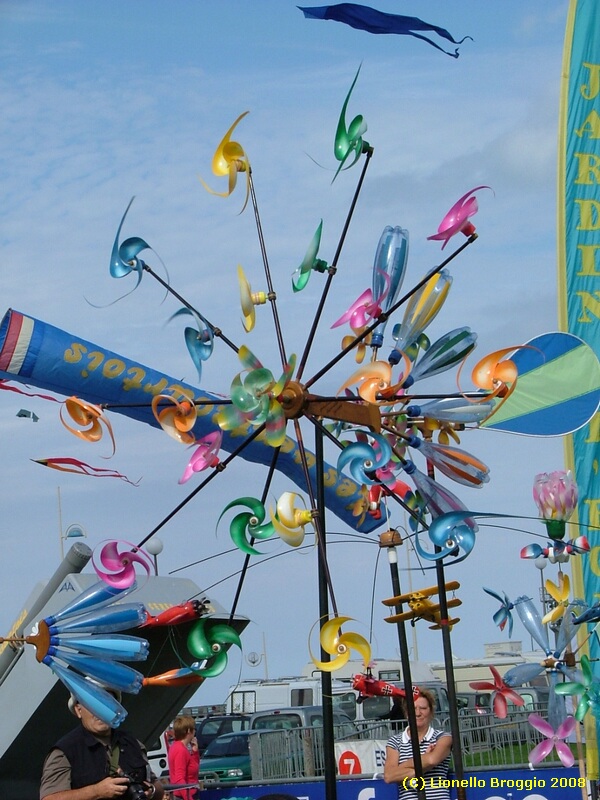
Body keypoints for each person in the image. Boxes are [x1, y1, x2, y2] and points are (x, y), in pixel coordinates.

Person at [40, 685, 165, 800]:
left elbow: (155, 783)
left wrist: (152, 791)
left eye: (107, 703)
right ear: (79, 710)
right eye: (92, 703)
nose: (100, 710)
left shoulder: (133, 744)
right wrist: (96, 791)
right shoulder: (65, 751)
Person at [383, 688, 452, 800]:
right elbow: (389, 776)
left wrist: (401, 769)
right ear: (406, 712)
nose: (418, 713)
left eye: (423, 708)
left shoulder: (443, 738)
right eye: (413, 708)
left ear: (431, 712)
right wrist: (424, 759)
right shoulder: (395, 742)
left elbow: (432, 760)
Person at [167, 716, 200, 800]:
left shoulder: (176, 746)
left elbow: (193, 767)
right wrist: (188, 798)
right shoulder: (180, 750)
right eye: (194, 728)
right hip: (184, 796)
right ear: (189, 730)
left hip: (187, 794)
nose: (195, 731)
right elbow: (179, 778)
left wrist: (195, 752)